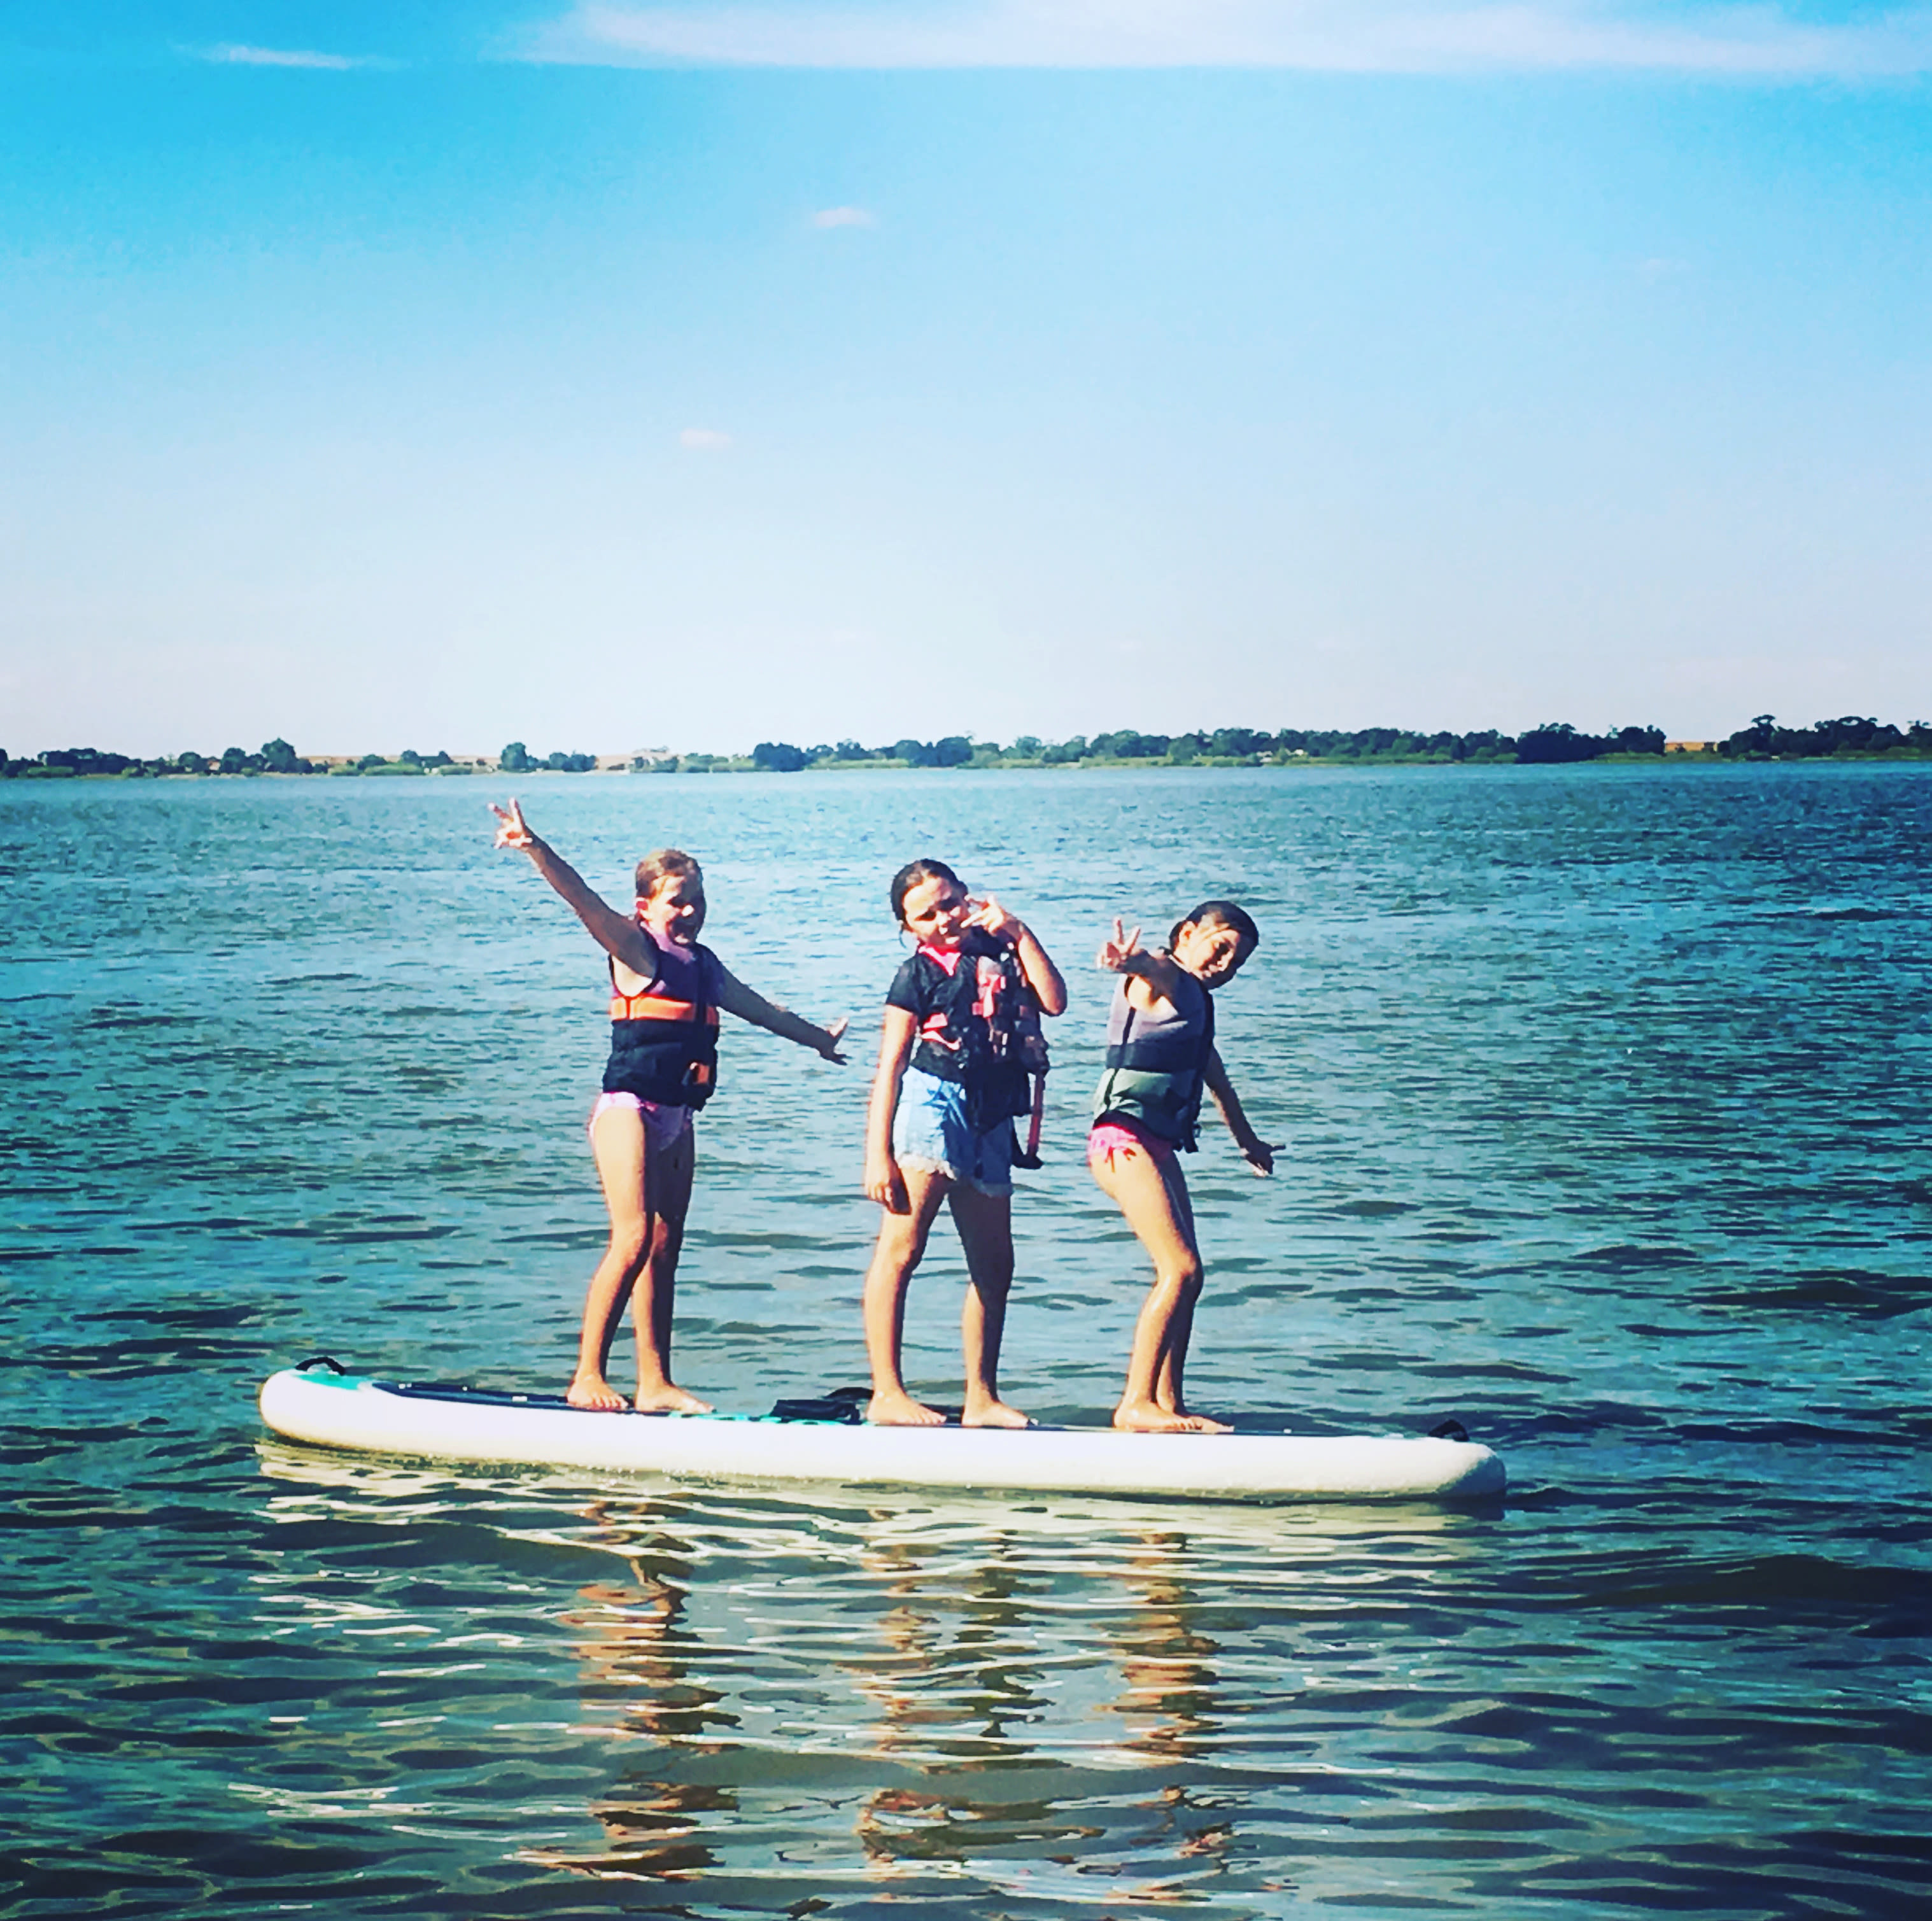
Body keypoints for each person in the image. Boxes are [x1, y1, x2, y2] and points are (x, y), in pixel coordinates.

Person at [492, 799, 847, 1412]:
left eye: (697, 900)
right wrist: (536, 848)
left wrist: (818, 1040)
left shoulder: (703, 967)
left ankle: (654, 1382)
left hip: (678, 1118)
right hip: (628, 1109)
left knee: (664, 1245)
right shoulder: (636, 951)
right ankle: (586, 1377)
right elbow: (584, 903)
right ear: (646, 908)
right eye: (677, 901)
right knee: (630, 1240)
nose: (689, 911)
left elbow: (759, 1008)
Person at [861, 859, 1068, 1427]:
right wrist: (876, 1152)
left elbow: (1054, 1002)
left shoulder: (1002, 952)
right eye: (925, 915)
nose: (943, 920)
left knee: (995, 1263)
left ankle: (981, 1396)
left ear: (968, 897)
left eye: (949, 904)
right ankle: (887, 1392)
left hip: (992, 1112)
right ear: (908, 926)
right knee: (902, 1251)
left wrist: (1020, 933)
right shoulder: (915, 974)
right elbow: (891, 1064)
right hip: (932, 1105)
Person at [1089, 903, 1280, 1433]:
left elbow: (1214, 1077)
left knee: (1190, 1277)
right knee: (1180, 1270)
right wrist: (1134, 962)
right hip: (1121, 1139)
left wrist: (1247, 1141)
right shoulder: (1168, 982)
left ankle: (1168, 1403)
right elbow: (1157, 969)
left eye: (1237, 962)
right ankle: (1135, 1404)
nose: (1225, 965)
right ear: (1188, 933)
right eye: (1219, 948)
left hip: (1154, 1143)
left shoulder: (1195, 1008)